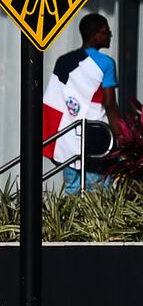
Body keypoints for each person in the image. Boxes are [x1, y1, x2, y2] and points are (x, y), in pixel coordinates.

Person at [43, 13, 125, 194]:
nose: (110, 35)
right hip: (98, 139)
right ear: (95, 35)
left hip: (68, 140)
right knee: (97, 194)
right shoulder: (106, 63)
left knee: (72, 192)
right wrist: (121, 136)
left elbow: (53, 101)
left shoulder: (64, 62)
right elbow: (110, 104)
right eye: (106, 32)